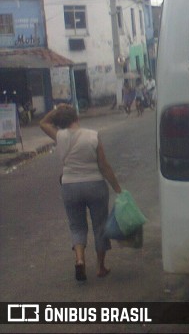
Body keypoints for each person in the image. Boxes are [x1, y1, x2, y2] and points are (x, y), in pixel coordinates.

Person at [40, 104, 122, 281]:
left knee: (77, 226)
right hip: (95, 185)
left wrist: (58, 109)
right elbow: (104, 165)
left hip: (70, 186)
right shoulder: (93, 136)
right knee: (100, 226)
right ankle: (100, 267)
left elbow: (43, 123)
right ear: (77, 118)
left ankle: (79, 260)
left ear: (61, 121)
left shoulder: (59, 136)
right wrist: (117, 188)